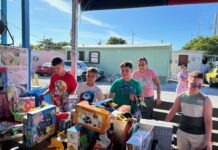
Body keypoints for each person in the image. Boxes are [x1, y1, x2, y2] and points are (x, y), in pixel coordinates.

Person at [165, 71, 212, 150]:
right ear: (187, 82)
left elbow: (208, 120)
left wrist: (208, 140)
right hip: (183, 133)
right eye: (193, 84)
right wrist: (164, 125)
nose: (196, 87)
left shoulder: (205, 99)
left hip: (199, 136)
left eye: (200, 86)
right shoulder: (181, 96)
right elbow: (172, 111)